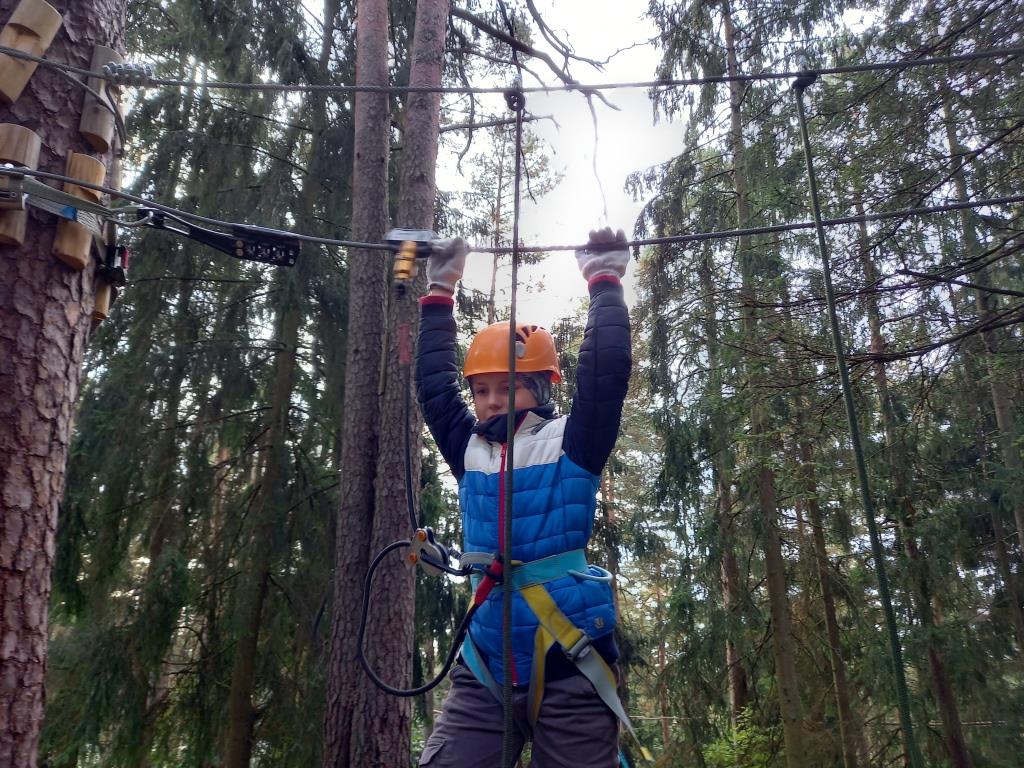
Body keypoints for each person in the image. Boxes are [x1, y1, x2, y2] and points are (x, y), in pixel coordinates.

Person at [414, 227, 635, 768]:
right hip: (485, 667)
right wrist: (440, 292)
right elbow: (435, 386)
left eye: (506, 386)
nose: (490, 402)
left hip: (571, 665)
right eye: (481, 390)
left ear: (540, 387)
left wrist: (604, 281)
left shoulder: (574, 442)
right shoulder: (469, 450)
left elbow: (605, 375)